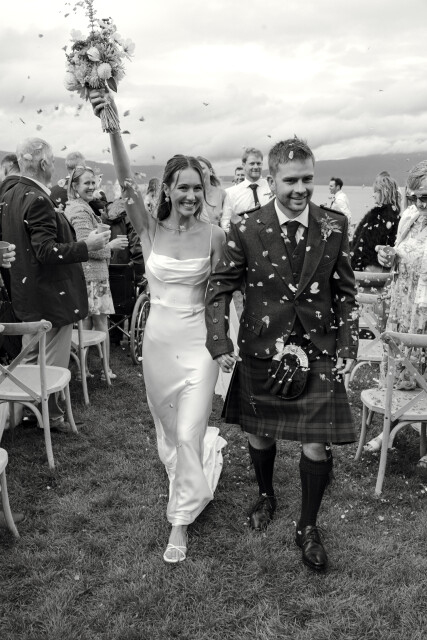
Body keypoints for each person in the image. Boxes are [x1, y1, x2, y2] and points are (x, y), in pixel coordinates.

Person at [205, 137, 358, 573]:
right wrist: (219, 341)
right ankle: (266, 494)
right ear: (271, 181)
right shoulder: (246, 227)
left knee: (316, 442)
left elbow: (344, 292)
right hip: (261, 346)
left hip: (318, 345)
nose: (300, 188)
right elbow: (219, 287)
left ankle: (307, 526)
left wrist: (348, 344)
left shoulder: (334, 224)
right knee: (260, 433)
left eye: (307, 179)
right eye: (291, 180)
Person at [89, 88, 227, 564]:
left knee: (188, 432)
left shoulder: (216, 236)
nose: (191, 195)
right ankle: (190, 468)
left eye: (198, 188)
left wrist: (226, 342)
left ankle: (179, 521)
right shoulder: (148, 229)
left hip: (199, 347)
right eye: (182, 187)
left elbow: (222, 295)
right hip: (159, 346)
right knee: (171, 431)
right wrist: (113, 128)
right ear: (167, 189)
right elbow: (125, 178)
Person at [0, 138, 110, 430]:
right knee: (52, 362)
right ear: (44, 163)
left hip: (25, 293)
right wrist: (86, 245)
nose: (53, 167)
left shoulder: (9, 194)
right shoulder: (37, 198)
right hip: (51, 296)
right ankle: (52, 416)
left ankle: (22, 412)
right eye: (52, 162)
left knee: (29, 356)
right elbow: (46, 251)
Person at [363, 160, 427, 476]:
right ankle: (388, 430)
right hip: (403, 304)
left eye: (424, 197)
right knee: (399, 370)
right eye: (413, 196)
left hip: (424, 307)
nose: (418, 203)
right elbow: (402, 256)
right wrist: (387, 255)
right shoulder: (409, 216)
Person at [64, 165, 127, 380]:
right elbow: (86, 247)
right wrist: (112, 246)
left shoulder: (78, 206)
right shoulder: (80, 211)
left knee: (86, 325)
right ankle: (105, 371)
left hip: (87, 276)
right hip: (93, 277)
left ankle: (83, 371)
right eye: (87, 183)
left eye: (93, 182)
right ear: (75, 186)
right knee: (100, 325)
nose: (92, 186)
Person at [351, 173, 400, 272]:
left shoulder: (377, 216)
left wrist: (352, 265)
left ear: (384, 192)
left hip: (368, 269)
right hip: (385, 270)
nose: (373, 195)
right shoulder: (397, 216)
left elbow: (364, 246)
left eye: (376, 191)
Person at [221, 148, 274, 232]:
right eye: (252, 163)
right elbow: (225, 222)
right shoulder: (231, 193)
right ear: (244, 165)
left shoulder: (272, 187)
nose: (256, 167)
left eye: (259, 163)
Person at [197, 156, 227, 226]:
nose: (199, 172)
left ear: (210, 171)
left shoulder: (222, 193)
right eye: (196, 169)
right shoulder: (191, 195)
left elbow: (226, 219)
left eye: (202, 168)